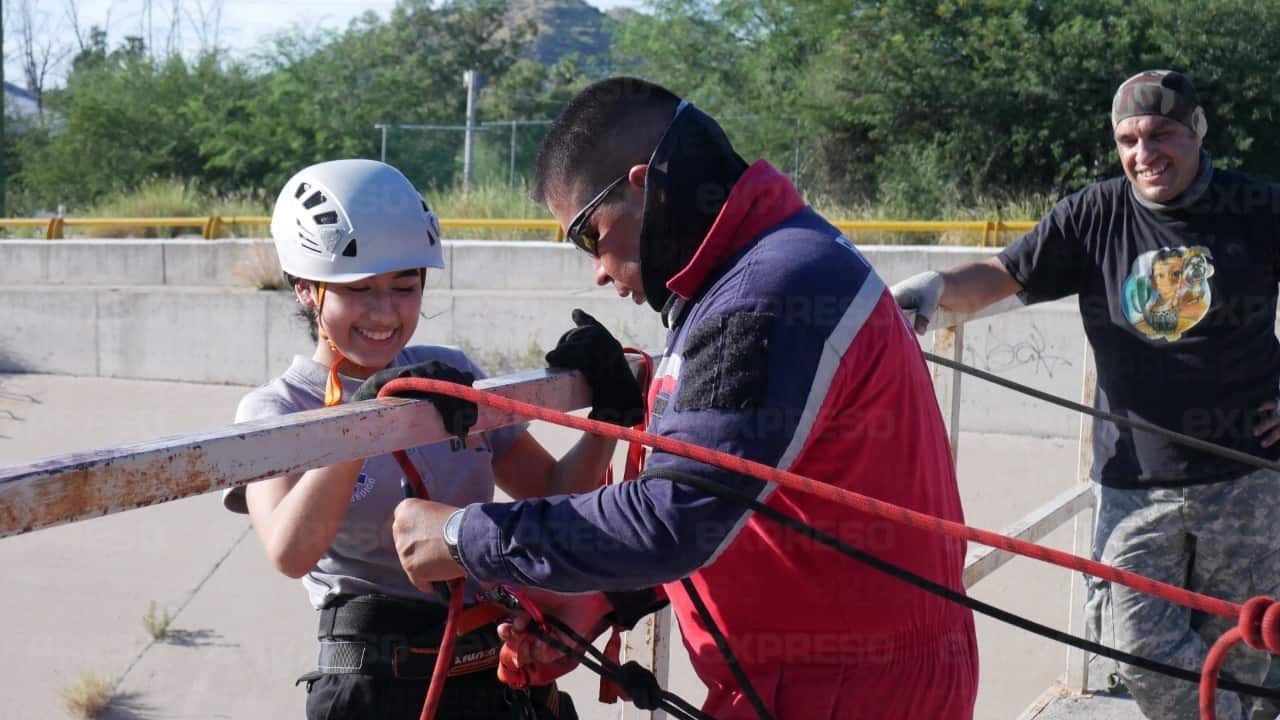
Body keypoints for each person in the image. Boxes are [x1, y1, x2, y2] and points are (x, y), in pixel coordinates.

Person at [374, 77, 979, 719]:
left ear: (644, 186)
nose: (598, 270)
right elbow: (740, 511)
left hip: (843, 693)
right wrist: (600, 600)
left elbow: (676, 517)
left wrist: (467, 534)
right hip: (825, 679)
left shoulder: (766, 291)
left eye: (587, 235)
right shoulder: (760, 268)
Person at [892, 70, 1280, 720]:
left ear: (1199, 132)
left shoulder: (1257, 209)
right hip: (1133, 484)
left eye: (1161, 134)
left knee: (1243, 656)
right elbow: (1004, 273)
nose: (1142, 153)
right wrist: (930, 288)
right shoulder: (1096, 213)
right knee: (1134, 645)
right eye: (1128, 139)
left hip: (1244, 484)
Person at [221, 158, 623, 720]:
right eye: (359, 289)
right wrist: (361, 425)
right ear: (306, 290)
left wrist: (610, 416)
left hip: (488, 672)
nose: (385, 312)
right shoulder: (277, 409)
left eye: (405, 286)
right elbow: (291, 551)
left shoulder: (449, 373)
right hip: (373, 686)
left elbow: (552, 489)